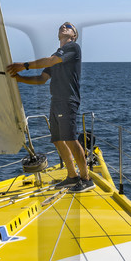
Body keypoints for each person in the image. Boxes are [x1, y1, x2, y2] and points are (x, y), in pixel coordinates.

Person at [6, 21, 93, 191]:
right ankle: (72, 176)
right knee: (58, 140)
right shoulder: (57, 55)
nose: (64, 26)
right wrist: (19, 79)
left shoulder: (73, 48)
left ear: (74, 35)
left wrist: (24, 66)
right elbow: (42, 79)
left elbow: (51, 61)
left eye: (68, 26)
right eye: (62, 26)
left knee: (70, 138)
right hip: (56, 101)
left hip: (68, 100)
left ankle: (86, 179)